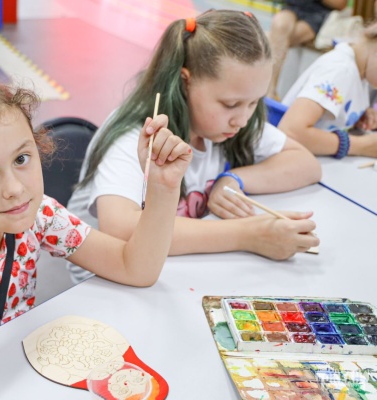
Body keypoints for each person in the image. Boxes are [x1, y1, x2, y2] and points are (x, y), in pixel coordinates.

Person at [0, 76, 192, 398]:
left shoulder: (39, 214)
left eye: (21, 159)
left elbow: (135, 268)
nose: (15, 189)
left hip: (8, 376)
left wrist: (163, 188)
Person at [66, 9, 321, 284]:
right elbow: (120, 228)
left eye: (254, 102)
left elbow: (305, 163)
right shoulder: (139, 136)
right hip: (108, 284)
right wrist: (248, 234)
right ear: (185, 82)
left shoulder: (229, 122)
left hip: (175, 268)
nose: (243, 119)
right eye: (231, 104)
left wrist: (233, 180)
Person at [278, 24, 377, 158]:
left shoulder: (362, 72)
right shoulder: (340, 69)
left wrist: (356, 116)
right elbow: (291, 132)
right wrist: (362, 146)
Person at [267, 0, 348, 100]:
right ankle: (270, 89)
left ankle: (269, 90)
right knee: (279, 25)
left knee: (276, 39)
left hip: (318, 13)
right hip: (293, 7)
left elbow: (341, 4)